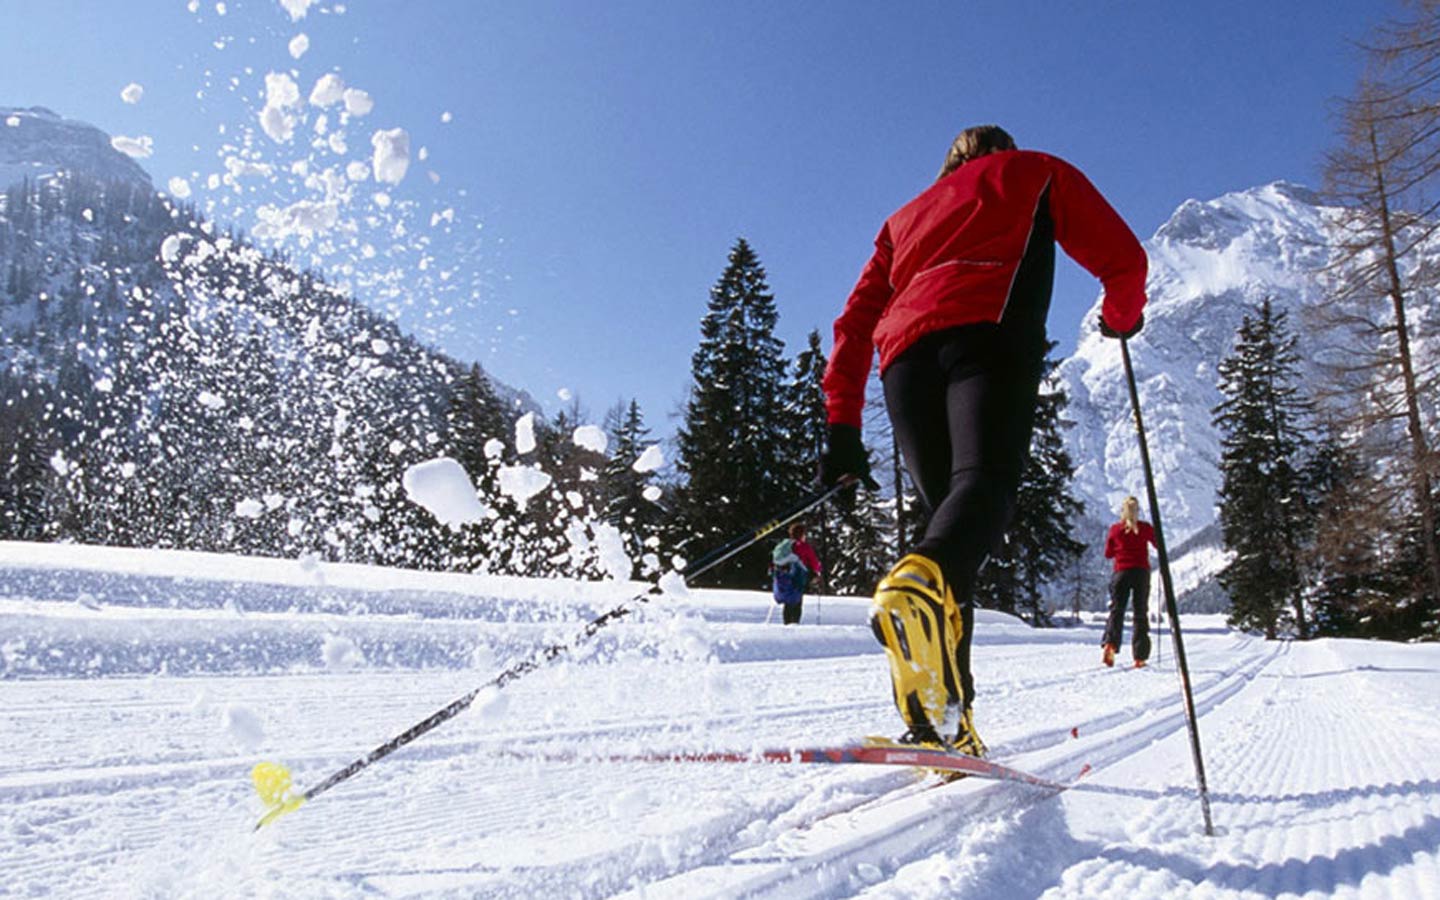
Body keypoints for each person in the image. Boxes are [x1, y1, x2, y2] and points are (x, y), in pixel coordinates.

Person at [818, 125, 1147, 754]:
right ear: (1002, 151)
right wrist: (1119, 319)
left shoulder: (903, 219)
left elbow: (854, 323)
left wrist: (842, 425)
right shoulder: (1035, 170)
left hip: (904, 364)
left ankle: (943, 718)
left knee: (950, 532)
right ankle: (925, 614)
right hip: (988, 331)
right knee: (981, 490)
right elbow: (1124, 261)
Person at [1103, 496, 1156, 668]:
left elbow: (1108, 554)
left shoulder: (1115, 530)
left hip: (1121, 573)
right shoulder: (1145, 528)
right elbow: (1158, 544)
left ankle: (1110, 643)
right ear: (1137, 511)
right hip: (1141, 573)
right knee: (1140, 613)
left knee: (1117, 611)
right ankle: (1140, 657)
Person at [771, 523, 822, 625]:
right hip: (797, 578)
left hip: (783, 579)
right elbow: (814, 562)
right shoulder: (802, 546)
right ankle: (794, 624)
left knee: (788, 603)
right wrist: (817, 572)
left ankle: (786, 623)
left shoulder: (783, 545)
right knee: (796, 602)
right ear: (802, 534)